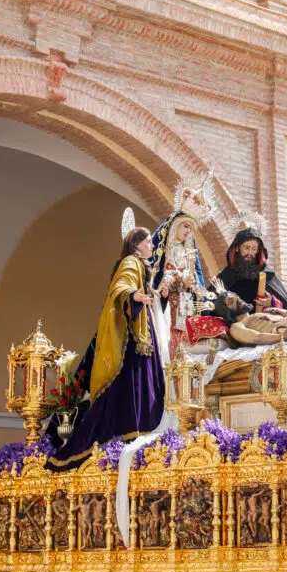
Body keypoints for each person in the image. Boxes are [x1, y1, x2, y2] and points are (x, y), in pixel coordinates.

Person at [46, 226, 165, 471]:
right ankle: (130, 428)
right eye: (147, 242)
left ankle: (141, 427)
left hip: (142, 327)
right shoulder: (130, 262)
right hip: (131, 335)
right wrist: (134, 296)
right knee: (131, 377)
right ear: (136, 244)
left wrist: (154, 293)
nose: (151, 245)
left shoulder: (141, 265)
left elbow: (142, 291)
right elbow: (120, 287)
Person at [151, 172, 216, 357]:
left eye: (191, 228)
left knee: (184, 345)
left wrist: (193, 285)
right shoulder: (166, 249)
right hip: (167, 302)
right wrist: (173, 278)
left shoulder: (189, 253)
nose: (189, 231)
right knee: (167, 344)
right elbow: (158, 276)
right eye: (186, 226)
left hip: (185, 303)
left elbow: (196, 280)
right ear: (175, 225)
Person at [214, 211, 287, 313]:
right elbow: (211, 302)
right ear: (237, 248)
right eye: (246, 247)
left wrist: (273, 302)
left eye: (254, 249)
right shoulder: (226, 276)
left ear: (258, 251)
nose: (250, 252)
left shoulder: (267, 275)